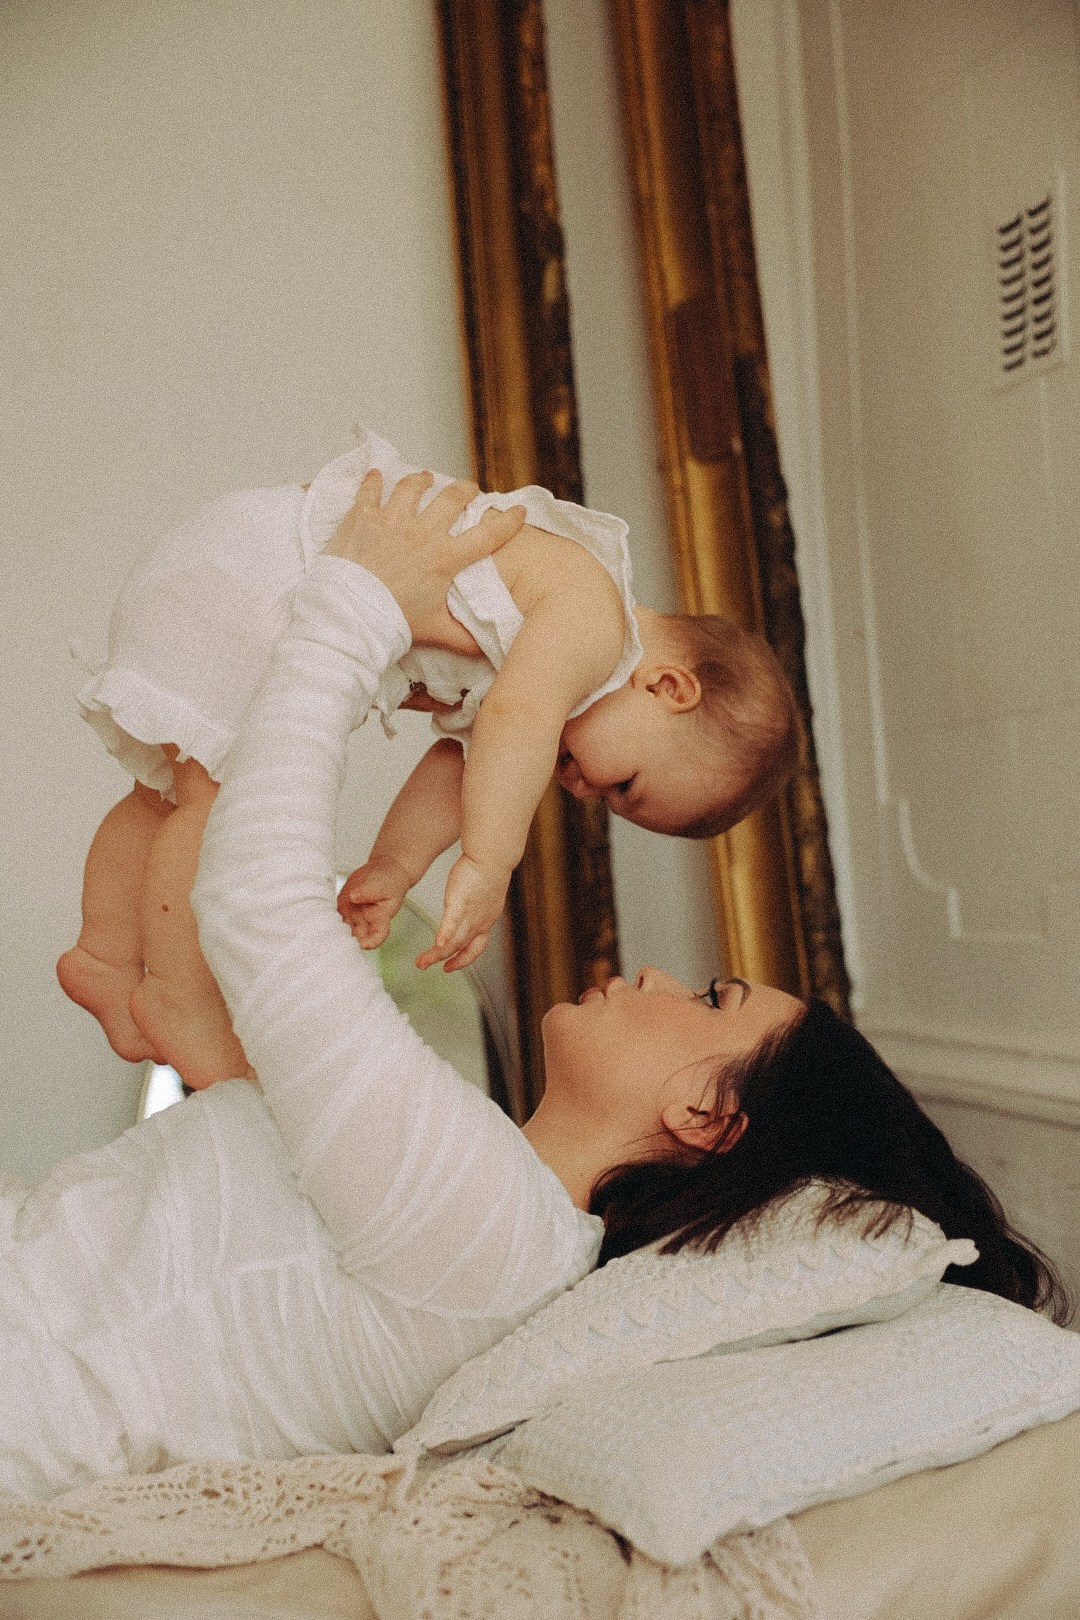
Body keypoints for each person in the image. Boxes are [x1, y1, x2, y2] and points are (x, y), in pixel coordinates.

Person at [3, 474, 1062, 1504]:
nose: (656, 971)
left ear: (705, 1112)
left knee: (194, 772)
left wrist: (354, 597)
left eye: (705, 1000)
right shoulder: (484, 1201)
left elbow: (256, 905)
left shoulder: (488, 1227)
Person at [57, 433, 796, 1088]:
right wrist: (489, 860)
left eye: (607, 802)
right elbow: (514, 721)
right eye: (623, 785)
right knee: (215, 806)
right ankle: (180, 999)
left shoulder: (559, 662)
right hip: (265, 581)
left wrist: (395, 866)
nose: (582, 789)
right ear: (668, 686)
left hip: (234, 561)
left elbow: (459, 758)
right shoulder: (590, 619)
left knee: (165, 797)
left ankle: (106, 954)